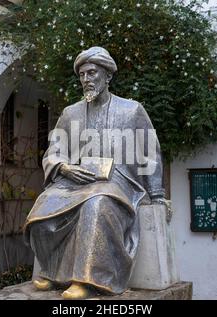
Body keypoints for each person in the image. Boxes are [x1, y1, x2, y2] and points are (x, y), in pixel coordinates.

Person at [24, 46, 166, 299]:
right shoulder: (70, 113)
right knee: (43, 208)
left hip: (118, 181)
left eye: (92, 73)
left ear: (107, 75)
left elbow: (149, 152)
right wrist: (65, 167)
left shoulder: (131, 110)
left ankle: (85, 279)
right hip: (74, 182)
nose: (86, 79)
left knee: (97, 204)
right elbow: (54, 150)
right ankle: (53, 271)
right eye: (82, 74)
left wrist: (156, 195)